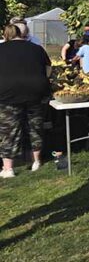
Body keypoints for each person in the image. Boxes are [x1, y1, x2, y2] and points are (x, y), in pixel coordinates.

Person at [0, 24, 51, 177]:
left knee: (9, 130)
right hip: (35, 92)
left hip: (7, 94)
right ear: (22, 35)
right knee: (35, 126)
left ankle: (8, 168)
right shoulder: (36, 48)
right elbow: (48, 69)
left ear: (5, 36)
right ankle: (36, 161)